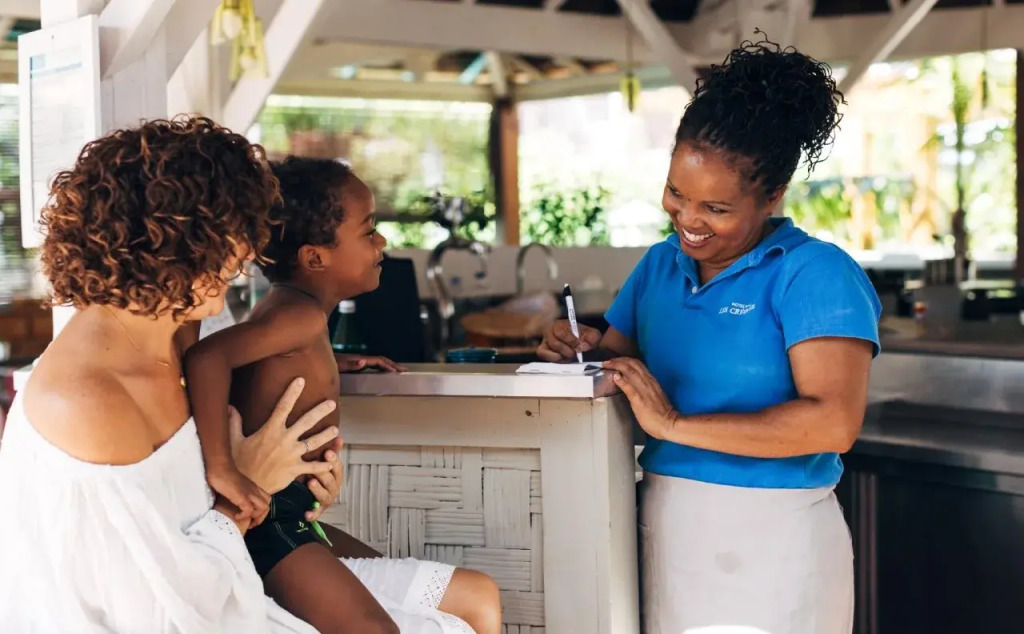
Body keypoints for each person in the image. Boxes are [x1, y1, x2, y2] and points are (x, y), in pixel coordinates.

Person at [538, 36, 881, 634]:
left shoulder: (814, 274)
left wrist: (673, 424)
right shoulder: (659, 265)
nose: (689, 220)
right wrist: (575, 353)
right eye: (677, 193)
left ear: (772, 196)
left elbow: (833, 422)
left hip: (775, 545)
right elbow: (616, 372)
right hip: (664, 527)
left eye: (717, 209)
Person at [0, 117, 349, 632]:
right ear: (172, 242)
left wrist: (294, 481)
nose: (246, 255)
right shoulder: (88, 402)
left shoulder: (175, 336)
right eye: (233, 236)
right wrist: (247, 489)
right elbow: (158, 615)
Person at [185, 155, 501, 634]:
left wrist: (332, 360)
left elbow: (261, 366)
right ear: (315, 257)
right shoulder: (298, 317)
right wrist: (223, 469)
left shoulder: (297, 317)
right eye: (368, 231)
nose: (382, 242)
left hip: (294, 515)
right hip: (272, 525)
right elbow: (206, 358)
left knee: (464, 598)